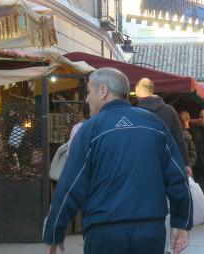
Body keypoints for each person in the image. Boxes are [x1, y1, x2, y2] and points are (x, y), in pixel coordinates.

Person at [43, 68, 193, 254]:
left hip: (104, 233)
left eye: (89, 91)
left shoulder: (90, 130)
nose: (87, 99)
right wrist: (182, 222)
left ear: (103, 91)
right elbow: (177, 176)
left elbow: (70, 185)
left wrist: (54, 231)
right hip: (149, 231)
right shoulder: (154, 124)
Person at [135, 78, 192, 176]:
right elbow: (179, 140)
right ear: (151, 91)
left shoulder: (134, 113)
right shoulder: (169, 110)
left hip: (140, 167)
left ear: (138, 91)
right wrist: (185, 164)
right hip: (166, 166)